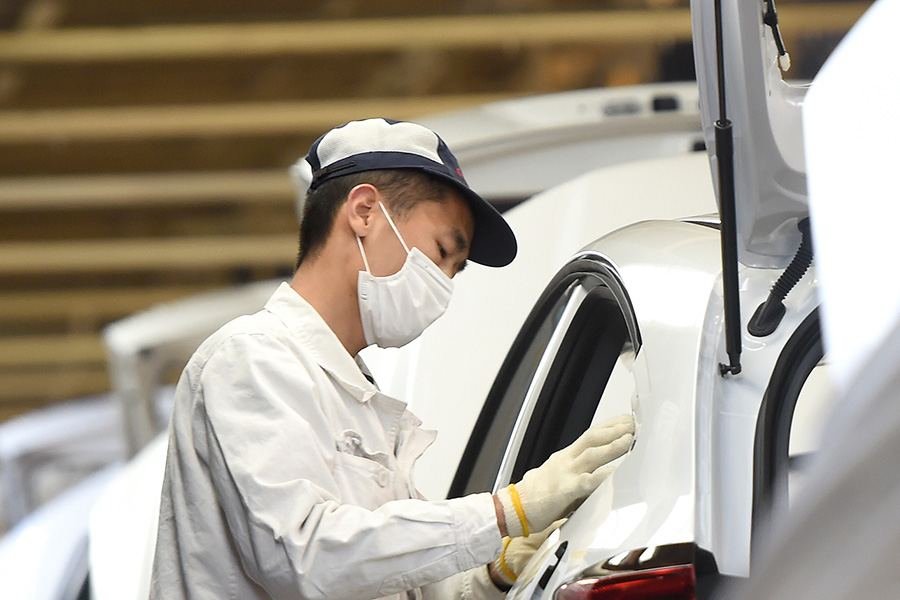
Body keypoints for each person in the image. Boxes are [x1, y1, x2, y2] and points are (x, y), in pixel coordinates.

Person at [149, 118, 635, 600]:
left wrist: (493, 576)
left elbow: (392, 579)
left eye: (454, 271)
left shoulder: (352, 391)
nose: (443, 284)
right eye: (442, 252)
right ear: (364, 211)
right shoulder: (250, 359)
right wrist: (507, 511)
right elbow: (305, 555)